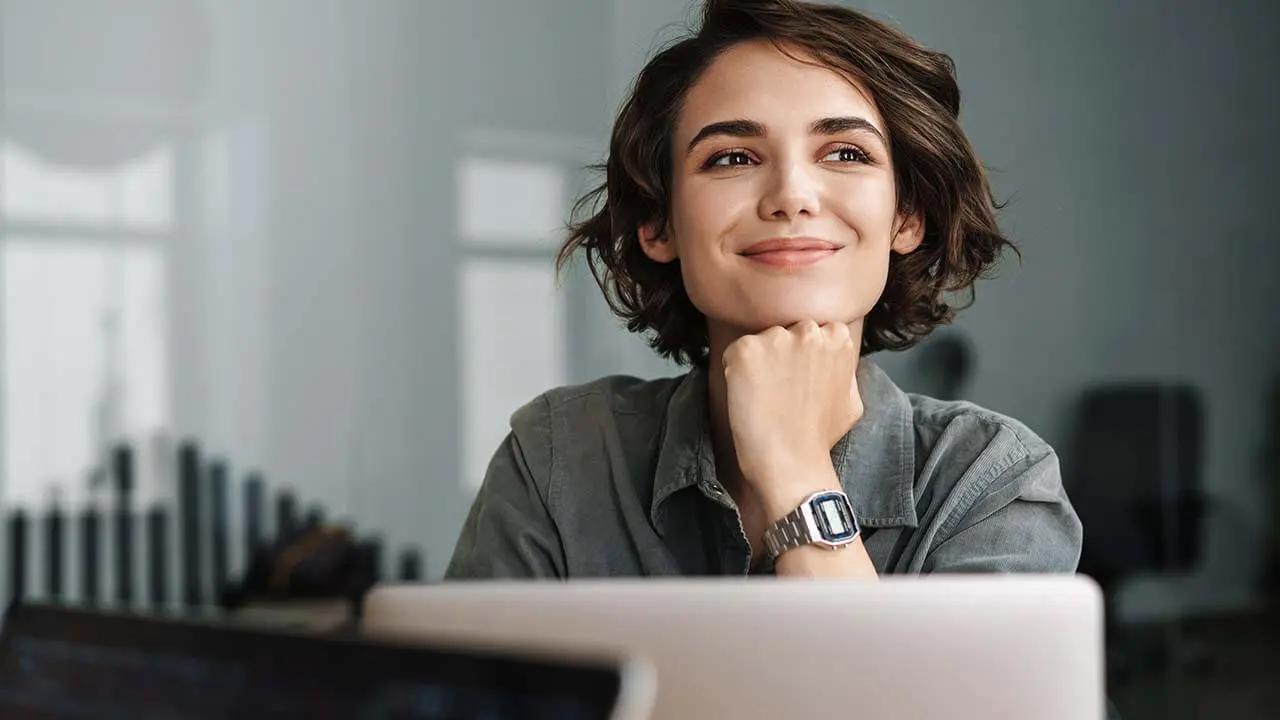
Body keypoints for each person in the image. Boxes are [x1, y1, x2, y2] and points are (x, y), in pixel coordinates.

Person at [445, 0, 1081, 580]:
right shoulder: (557, 459)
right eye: (732, 158)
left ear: (906, 217)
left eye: (846, 154)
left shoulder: (993, 482)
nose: (790, 198)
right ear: (658, 223)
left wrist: (795, 470)